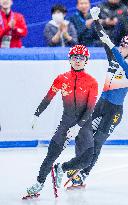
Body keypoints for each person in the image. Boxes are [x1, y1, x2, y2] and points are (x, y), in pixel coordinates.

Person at [67, 6, 128, 186]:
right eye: (121, 44)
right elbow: (104, 39)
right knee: (84, 135)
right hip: (101, 104)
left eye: (124, 46)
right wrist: (96, 20)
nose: (120, 47)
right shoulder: (114, 57)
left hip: (113, 112)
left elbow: (125, 66)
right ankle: (78, 163)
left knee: (97, 142)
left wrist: (112, 46)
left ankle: (84, 174)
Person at [26, 44, 98, 194]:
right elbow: (48, 98)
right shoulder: (61, 78)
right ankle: (39, 183)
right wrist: (37, 114)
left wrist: (78, 126)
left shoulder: (92, 82)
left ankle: (62, 168)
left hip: (84, 124)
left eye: (81, 58)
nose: (78, 60)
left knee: (87, 159)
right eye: (75, 57)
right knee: (51, 154)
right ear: (70, 59)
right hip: (66, 123)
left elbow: (90, 108)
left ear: (86, 61)